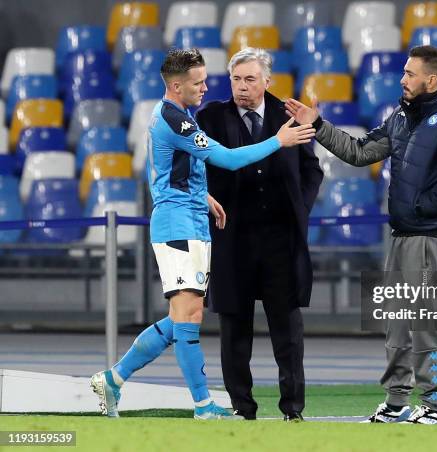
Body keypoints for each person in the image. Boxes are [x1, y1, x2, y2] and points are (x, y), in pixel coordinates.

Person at [90, 48, 315, 420]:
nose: (206, 87)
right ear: (176, 86)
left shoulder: (179, 116)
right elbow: (227, 159)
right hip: (178, 226)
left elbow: (168, 169)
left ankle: (114, 378)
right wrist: (279, 141)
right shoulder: (175, 119)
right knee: (190, 315)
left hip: (190, 219)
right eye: (198, 82)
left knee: (181, 317)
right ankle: (202, 405)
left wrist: (203, 194)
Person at [285, 45, 437, 424]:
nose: (402, 79)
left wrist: (421, 208)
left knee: (426, 325)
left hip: (431, 239)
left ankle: (435, 404)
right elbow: (359, 153)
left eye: (410, 74)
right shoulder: (401, 119)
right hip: (403, 236)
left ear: (432, 80)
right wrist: (319, 126)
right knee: (396, 323)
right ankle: (397, 401)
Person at [195, 47, 323, 422]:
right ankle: (241, 408)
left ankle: (293, 409)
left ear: (267, 82)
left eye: (250, 79)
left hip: (280, 240)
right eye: (236, 79)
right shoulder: (210, 117)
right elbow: (193, 164)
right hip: (231, 238)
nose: (242, 87)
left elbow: (312, 170)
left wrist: (299, 209)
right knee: (234, 330)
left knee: (288, 330)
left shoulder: (290, 114)